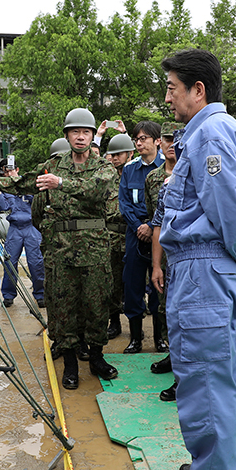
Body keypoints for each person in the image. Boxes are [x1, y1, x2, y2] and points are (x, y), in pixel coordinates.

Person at [157, 49, 236, 470]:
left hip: (204, 270)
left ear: (197, 90)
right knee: (213, 377)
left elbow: (234, 211)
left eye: (172, 87)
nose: (167, 97)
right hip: (202, 268)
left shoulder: (210, 134)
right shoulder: (208, 134)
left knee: (205, 380)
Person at [0, 108, 118, 390]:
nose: (80, 137)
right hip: (61, 250)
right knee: (62, 306)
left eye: (86, 132)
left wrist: (62, 183)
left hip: (94, 248)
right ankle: (70, 364)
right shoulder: (54, 163)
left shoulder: (103, 167)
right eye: (75, 132)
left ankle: (96, 357)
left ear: (93, 136)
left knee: (96, 305)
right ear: (67, 135)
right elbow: (24, 182)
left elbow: (97, 189)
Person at [119, 121, 165, 353]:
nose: (139, 143)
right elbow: (124, 203)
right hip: (135, 235)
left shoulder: (169, 166)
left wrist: (151, 225)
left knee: (160, 285)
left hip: (160, 236)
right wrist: (139, 226)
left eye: (144, 138)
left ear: (157, 141)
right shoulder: (129, 169)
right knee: (133, 286)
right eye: (136, 139)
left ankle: (160, 338)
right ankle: (136, 338)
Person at [147, 124, 181, 400]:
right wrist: (157, 266)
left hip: (202, 262)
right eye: (170, 141)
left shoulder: (210, 177)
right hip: (173, 263)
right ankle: (180, 372)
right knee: (173, 315)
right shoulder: (166, 184)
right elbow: (158, 224)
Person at [0, 158, 46, 309]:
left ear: (17, 170)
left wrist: (20, 185)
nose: (9, 173)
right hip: (15, 228)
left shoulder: (27, 184)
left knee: (36, 262)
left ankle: (40, 294)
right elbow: (3, 206)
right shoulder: (4, 187)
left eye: (11, 170)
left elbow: (37, 200)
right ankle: (8, 296)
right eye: (5, 170)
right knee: (10, 263)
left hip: (31, 227)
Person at [102, 129, 135, 339]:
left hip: (133, 234)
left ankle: (136, 326)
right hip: (111, 236)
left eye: (118, 154)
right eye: (112, 155)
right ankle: (114, 322)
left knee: (134, 283)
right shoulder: (105, 176)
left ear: (129, 154)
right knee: (111, 283)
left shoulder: (138, 173)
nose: (114, 158)